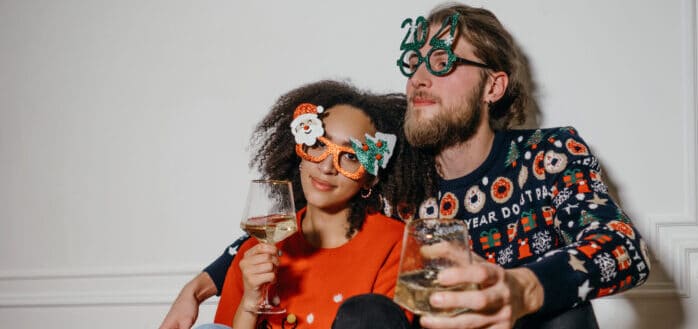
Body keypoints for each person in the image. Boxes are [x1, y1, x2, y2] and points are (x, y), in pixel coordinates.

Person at [160, 3, 651, 329]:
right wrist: (198, 287)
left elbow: (623, 248)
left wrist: (525, 288)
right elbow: (290, 222)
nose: (419, 76)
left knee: (565, 314)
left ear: (494, 87)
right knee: (367, 313)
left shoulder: (549, 155)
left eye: (444, 62)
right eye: (415, 61)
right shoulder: (398, 174)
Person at [193, 80, 431, 329]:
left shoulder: (397, 245)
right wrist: (251, 302)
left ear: (369, 178)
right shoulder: (256, 249)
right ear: (299, 151)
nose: (326, 167)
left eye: (350, 156)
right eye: (318, 145)